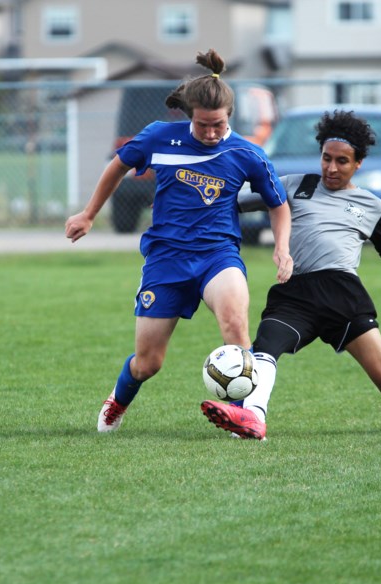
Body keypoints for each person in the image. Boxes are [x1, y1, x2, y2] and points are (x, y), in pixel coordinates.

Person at [200, 109, 381, 440]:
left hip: (343, 296)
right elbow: (230, 201)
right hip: (295, 294)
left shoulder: (371, 206)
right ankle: (253, 418)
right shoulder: (295, 186)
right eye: (326, 158)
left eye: (342, 161)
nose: (331, 168)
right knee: (265, 348)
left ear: (358, 164)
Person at [65, 49, 293, 432]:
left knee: (236, 329)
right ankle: (117, 402)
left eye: (217, 125)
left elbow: (278, 203)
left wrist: (282, 247)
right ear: (190, 116)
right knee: (148, 363)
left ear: (229, 118)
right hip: (166, 259)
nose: (210, 133)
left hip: (218, 256)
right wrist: (89, 213)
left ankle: (245, 417)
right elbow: (118, 165)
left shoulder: (246, 153)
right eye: (203, 125)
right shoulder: (158, 137)